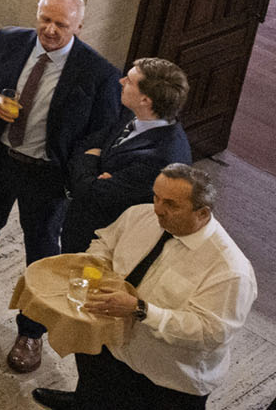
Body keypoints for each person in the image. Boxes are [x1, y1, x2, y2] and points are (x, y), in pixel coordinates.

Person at [0, 0, 123, 375]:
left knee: (41, 251)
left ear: (79, 26)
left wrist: (79, 172)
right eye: (45, 19)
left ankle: (31, 331)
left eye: (61, 24)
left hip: (47, 176)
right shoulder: (10, 39)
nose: (50, 30)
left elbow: (102, 131)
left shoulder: (99, 73)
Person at [28, 165, 256, 410]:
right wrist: (96, 266)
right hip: (109, 344)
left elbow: (209, 332)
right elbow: (105, 243)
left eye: (171, 205)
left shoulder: (230, 271)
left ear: (202, 213)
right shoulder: (141, 215)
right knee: (93, 389)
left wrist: (140, 309)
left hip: (163, 380)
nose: (158, 209)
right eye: (156, 197)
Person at [62, 57, 192, 254]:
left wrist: (91, 160)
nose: (121, 81)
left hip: (104, 244)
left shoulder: (162, 156)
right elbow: (90, 143)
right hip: (81, 225)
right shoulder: (134, 114)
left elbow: (90, 192)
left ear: (145, 100)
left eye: (129, 81)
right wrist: (94, 168)